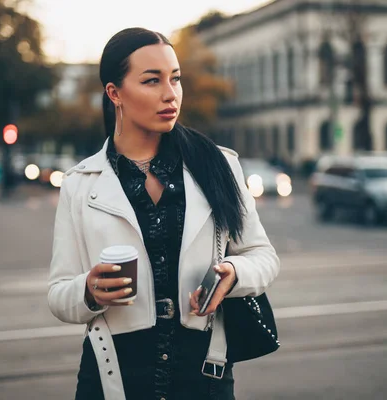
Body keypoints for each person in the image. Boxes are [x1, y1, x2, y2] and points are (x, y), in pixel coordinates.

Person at [48, 27, 280, 400]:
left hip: (205, 375)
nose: (170, 94)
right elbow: (59, 294)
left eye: (175, 79)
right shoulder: (80, 183)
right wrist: (90, 290)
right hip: (112, 380)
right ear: (115, 93)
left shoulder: (216, 164)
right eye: (152, 81)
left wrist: (233, 274)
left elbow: (264, 257)